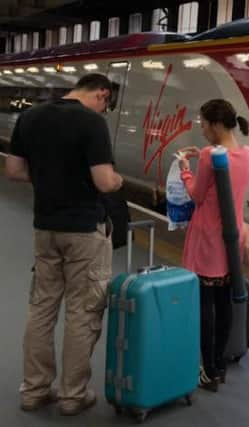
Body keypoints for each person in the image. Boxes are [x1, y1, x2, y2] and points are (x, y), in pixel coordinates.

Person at [5, 73, 123, 415]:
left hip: (45, 227)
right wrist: (115, 182)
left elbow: (13, 170)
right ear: (102, 93)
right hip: (85, 230)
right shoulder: (92, 123)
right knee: (81, 312)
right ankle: (72, 395)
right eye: (106, 103)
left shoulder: (30, 117)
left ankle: (34, 389)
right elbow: (103, 180)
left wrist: (48, 178)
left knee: (41, 309)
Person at [178, 99, 249, 392]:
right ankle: (219, 367)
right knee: (223, 304)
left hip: (207, 238)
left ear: (217, 124)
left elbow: (197, 195)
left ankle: (207, 370)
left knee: (204, 306)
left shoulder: (209, 155)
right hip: (230, 240)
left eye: (204, 124)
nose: (202, 129)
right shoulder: (246, 154)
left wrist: (186, 168)